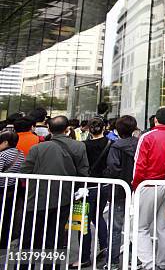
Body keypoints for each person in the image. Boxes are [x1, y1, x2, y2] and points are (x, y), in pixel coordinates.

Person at [19, 116, 89, 270]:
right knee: (56, 235)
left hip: (36, 198)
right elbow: (83, 173)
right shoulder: (79, 147)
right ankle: (52, 266)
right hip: (64, 197)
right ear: (67, 129)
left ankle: (25, 265)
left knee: (30, 236)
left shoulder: (38, 148)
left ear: (49, 129)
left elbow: (24, 171)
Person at [133, 107, 165, 270]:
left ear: (155, 120)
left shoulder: (147, 137)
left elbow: (139, 164)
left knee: (140, 227)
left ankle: (148, 264)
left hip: (149, 184)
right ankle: (163, 263)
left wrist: (136, 185)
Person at [69, 118, 112, 269]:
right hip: (104, 186)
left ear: (88, 129)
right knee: (98, 217)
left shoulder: (83, 146)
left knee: (82, 221)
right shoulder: (110, 144)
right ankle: (105, 250)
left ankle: (84, 257)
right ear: (104, 127)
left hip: (85, 187)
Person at [104, 115, 139, 270]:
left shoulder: (116, 146)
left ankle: (112, 262)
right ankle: (134, 258)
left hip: (118, 190)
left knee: (115, 227)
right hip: (136, 189)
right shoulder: (139, 143)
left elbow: (112, 168)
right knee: (136, 226)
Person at [0, 130, 25, 247]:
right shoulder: (20, 154)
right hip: (12, 189)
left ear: (5, 142)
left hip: (1, 189)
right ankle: (4, 242)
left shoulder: (2, 155)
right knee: (7, 217)